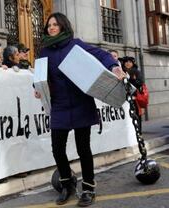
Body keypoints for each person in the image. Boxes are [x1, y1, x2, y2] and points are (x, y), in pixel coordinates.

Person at [35, 12, 125, 207]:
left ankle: (88, 188)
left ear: (63, 27)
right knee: (57, 149)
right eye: (49, 25)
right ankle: (67, 185)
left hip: (80, 103)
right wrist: (38, 89)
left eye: (55, 25)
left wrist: (114, 66)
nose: (51, 27)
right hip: (59, 105)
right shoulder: (44, 52)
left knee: (83, 148)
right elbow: (41, 77)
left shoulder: (75, 44)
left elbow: (100, 54)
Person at [121, 56, 145, 123]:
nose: (128, 63)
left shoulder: (136, 71)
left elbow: (140, 83)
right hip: (124, 98)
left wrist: (132, 79)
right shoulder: (121, 71)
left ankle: (138, 132)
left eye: (130, 62)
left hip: (134, 98)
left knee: (136, 116)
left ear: (133, 63)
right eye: (126, 62)